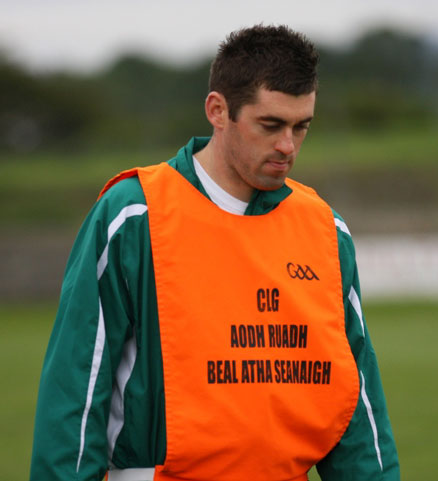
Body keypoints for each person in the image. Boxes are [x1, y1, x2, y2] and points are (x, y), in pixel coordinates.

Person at [30, 25, 400, 481]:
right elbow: (77, 393)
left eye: (301, 126)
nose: (287, 146)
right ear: (218, 111)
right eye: (271, 125)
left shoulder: (326, 230)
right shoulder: (133, 216)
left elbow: (357, 404)